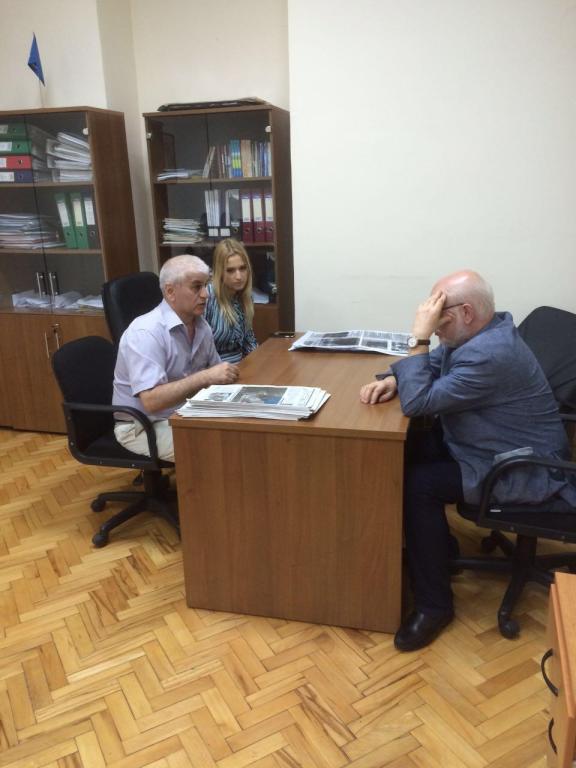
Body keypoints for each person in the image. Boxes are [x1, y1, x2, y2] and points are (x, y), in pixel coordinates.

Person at [360, 270, 576, 652]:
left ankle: (434, 606)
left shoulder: (491, 353)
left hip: (522, 469)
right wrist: (395, 378)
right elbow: (439, 359)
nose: (436, 327)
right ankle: (440, 551)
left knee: (419, 485)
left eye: (440, 317)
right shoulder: (488, 329)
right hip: (486, 445)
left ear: (467, 313)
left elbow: (419, 402)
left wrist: (419, 338)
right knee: (407, 449)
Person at [113, 254, 239, 461]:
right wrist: (205, 377)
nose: (206, 294)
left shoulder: (201, 326)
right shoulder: (146, 332)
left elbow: (218, 375)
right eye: (196, 287)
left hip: (184, 413)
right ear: (170, 291)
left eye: (205, 285)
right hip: (143, 426)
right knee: (221, 450)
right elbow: (151, 401)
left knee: (246, 432)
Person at [204, 238, 258, 363]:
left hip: (242, 366)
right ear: (220, 272)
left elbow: (249, 341)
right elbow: (198, 350)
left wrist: (259, 361)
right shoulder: (208, 296)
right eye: (230, 270)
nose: (239, 276)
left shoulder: (245, 297)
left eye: (242, 268)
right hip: (215, 368)